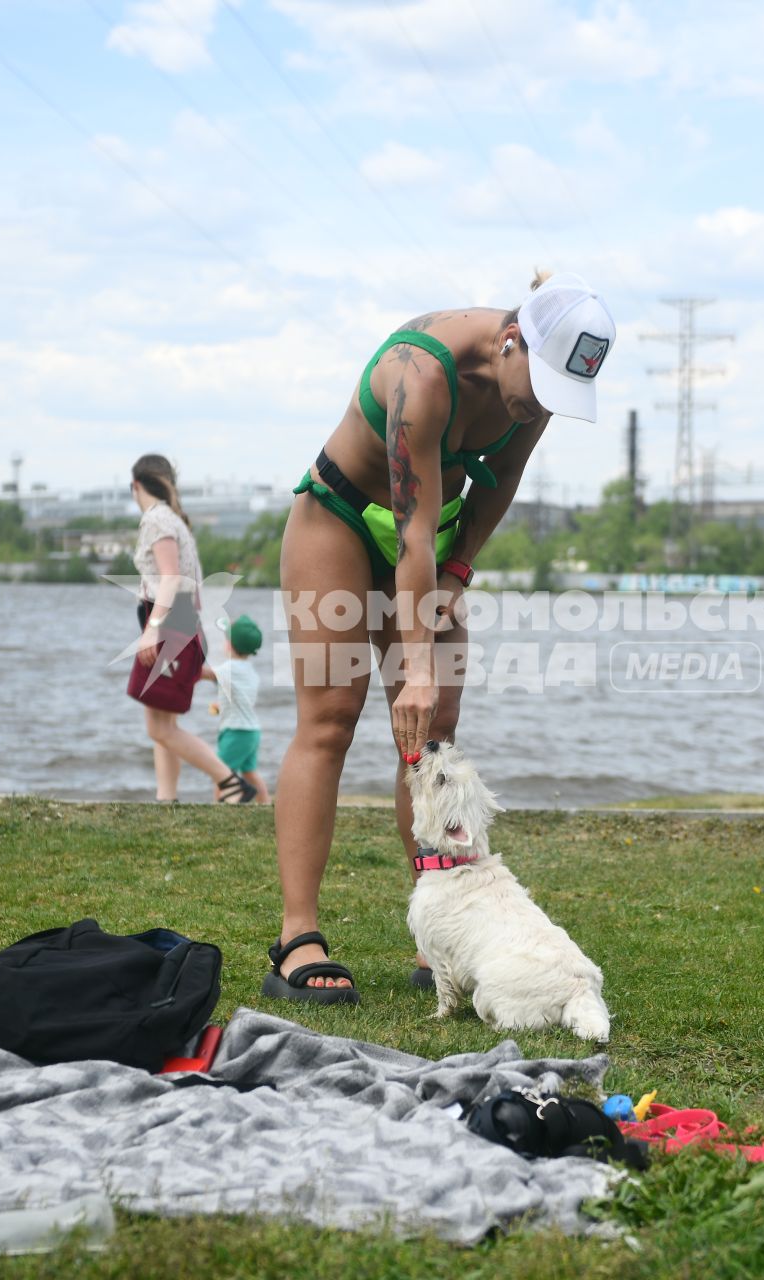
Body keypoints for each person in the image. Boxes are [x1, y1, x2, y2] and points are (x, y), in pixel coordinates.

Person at [262, 270, 617, 1004]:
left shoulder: (536, 385)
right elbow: (409, 529)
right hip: (342, 515)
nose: (539, 404)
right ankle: (298, 937)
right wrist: (414, 662)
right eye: (539, 384)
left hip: (433, 541)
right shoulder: (421, 374)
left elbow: (498, 482)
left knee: (431, 732)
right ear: (512, 339)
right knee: (331, 717)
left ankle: (443, 932)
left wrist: (459, 572)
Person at [126, 454, 256, 804]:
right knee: (162, 724)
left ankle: (229, 782)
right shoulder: (174, 520)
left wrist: (153, 629)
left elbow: (171, 579)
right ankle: (166, 798)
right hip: (180, 623)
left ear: (136, 485)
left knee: (159, 727)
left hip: (170, 623)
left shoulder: (157, 520)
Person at [201, 614, 270, 804]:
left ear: (229, 645)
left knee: (221, 773)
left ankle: (218, 809)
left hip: (236, 731)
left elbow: (203, 674)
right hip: (251, 731)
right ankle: (265, 804)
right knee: (250, 773)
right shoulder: (249, 670)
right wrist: (221, 705)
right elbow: (241, 697)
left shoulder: (228, 668)